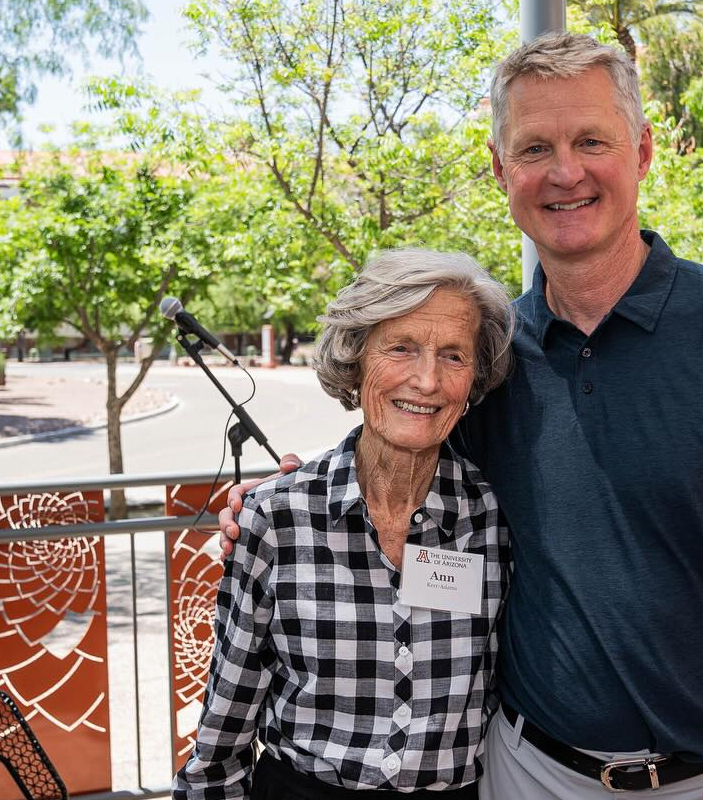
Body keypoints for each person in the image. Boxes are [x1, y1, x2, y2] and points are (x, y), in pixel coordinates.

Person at [221, 34, 703, 800]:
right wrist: (278, 503)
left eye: (591, 141)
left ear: (642, 150)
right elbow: (392, 466)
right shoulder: (487, 361)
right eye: (535, 148)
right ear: (502, 171)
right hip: (529, 774)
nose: (566, 172)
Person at [174, 249, 514, 799]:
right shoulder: (276, 519)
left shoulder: (495, 520)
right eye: (401, 348)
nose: (426, 380)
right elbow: (225, 729)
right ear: (356, 361)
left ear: (474, 380)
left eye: (454, 356)